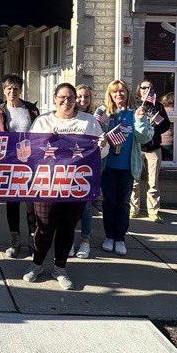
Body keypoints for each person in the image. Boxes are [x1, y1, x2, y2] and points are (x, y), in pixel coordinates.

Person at [22, 82, 108, 290]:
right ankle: (37, 264)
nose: (67, 101)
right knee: (43, 227)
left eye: (71, 97)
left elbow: (100, 154)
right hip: (47, 185)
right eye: (62, 97)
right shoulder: (43, 121)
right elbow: (29, 151)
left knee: (67, 228)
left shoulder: (88, 122)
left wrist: (102, 146)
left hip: (75, 186)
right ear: (54, 99)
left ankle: (60, 267)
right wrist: (44, 141)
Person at [99, 79, 153, 255]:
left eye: (122, 91)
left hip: (127, 167)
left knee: (123, 204)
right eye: (115, 92)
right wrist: (102, 126)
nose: (118, 94)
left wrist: (140, 119)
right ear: (110, 94)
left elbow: (144, 138)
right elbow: (94, 135)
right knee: (109, 203)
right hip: (108, 166)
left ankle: (120, 238)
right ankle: (109, 236)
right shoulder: (104, 112)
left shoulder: (134, 113)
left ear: (128, 94)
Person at [0, 74, 40, 257]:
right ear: (3, 90)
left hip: (30, 162)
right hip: (9, 162)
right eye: (8, 88)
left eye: (15, 88)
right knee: (12, 202)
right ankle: (14, 240)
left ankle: (34, 239)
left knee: (31, 203)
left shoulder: (30, 109)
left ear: (20, 90)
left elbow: (39, 131)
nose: (12, 92)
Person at [129, 78, 171, 222]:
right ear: (139, 90)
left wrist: (154, 124)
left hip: (153, 148)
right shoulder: (134, 105)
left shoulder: (158, 106)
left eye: (150, 88)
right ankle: (133, 209)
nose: (147, 91)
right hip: (137, 148)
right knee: (135, 180)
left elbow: (166, 126)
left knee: (153, 182)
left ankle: (153, 210)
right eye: (144, 88)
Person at [72, 84, 99, 258]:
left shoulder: (93, 119)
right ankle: (67, 240)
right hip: (66, 169)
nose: (82, 100)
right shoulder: (66, 115)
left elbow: (101, 145)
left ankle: (85, 241)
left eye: (86, 97)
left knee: (86, 207)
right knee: (66, 209)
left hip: (86, 169)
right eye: (79, 96)